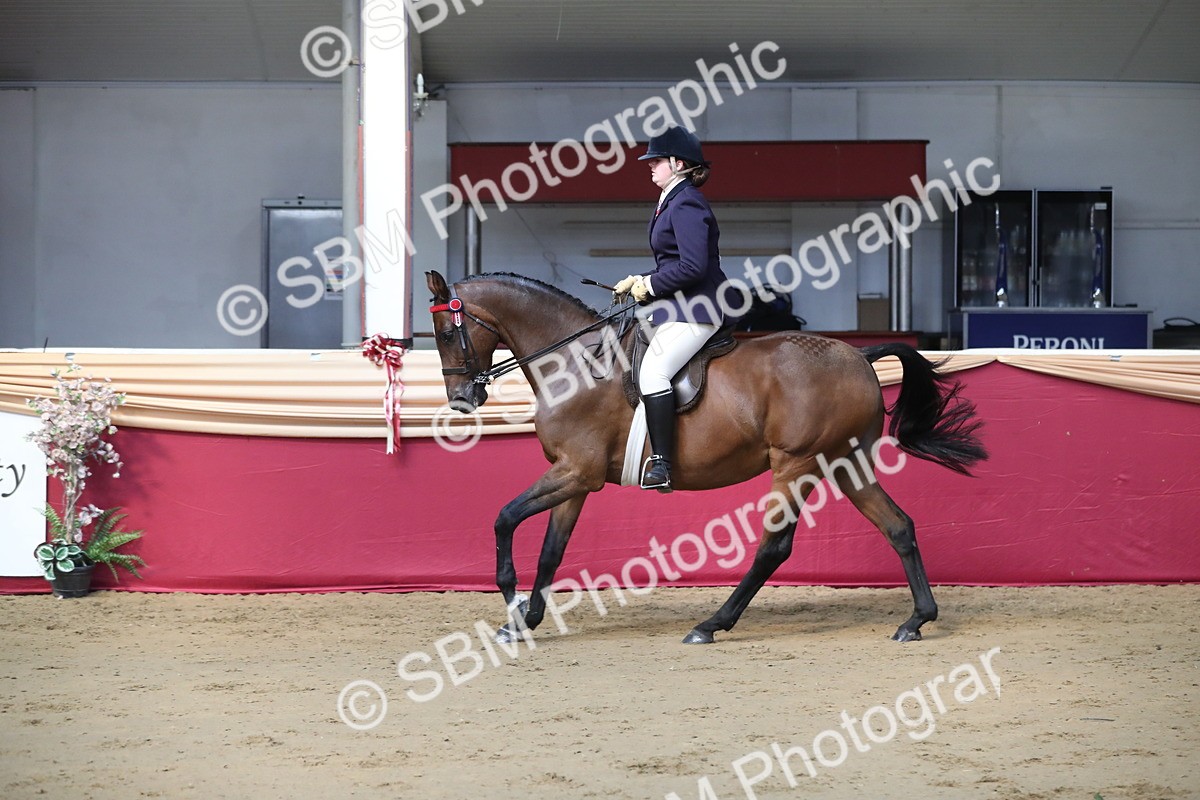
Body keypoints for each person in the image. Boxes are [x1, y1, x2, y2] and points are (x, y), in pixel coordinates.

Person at [613, 126, 738, 493]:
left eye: (657, 161)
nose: (650, 166)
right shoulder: (670, 200)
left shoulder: (687, 202)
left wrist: (650, 285)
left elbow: (694, 267)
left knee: (653, 373)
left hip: (699, 308)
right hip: (679, 306)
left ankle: (663, 464)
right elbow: (672, 262)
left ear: (678, 164)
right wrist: (639, 279)